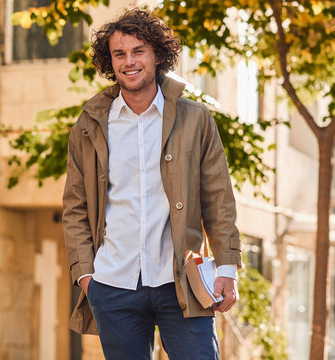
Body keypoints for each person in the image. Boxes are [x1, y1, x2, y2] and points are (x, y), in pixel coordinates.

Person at [62, 9, 242, 360]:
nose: (129, 62)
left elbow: (218, 198)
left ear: (157, 54)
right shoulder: (90, 125)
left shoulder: (196, 119)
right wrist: (86, 275)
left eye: (138, 51)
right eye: (119, 54)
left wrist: (227, 267)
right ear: (109, 61)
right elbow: (75, 208)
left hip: (182, 281)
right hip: (113, 283)